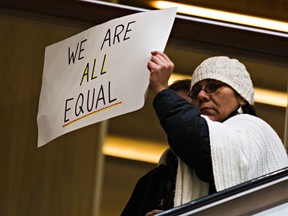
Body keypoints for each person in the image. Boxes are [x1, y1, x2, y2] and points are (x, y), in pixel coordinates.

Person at [145, 51, 288, 214]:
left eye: (213, 87)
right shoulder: (169, 167)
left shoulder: (253, 131)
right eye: (196, 91)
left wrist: (162, 90)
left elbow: (201, 145)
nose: (201, 95)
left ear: (241, 97)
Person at [121, 79, 192, 216]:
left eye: (186, 112)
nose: (179, 120)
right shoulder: (150, 182)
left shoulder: (215, 172)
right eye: (173, 114)